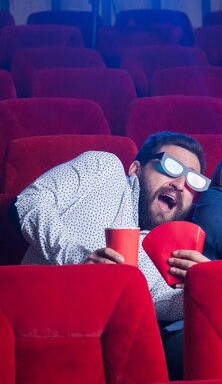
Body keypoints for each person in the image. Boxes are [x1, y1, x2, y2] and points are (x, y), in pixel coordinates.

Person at [16, 131, 210, 379]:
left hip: (101, 354)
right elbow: (31, 201)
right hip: (32, 324)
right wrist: (78, 259)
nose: (181, 185)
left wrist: (204, 285)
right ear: (135, 168)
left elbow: (158, 304)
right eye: (170, 167)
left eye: (193, 181)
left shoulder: (166, 246)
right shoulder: (103, 168)